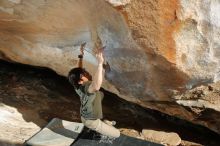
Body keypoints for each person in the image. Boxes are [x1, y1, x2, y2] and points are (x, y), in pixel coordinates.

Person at [68, 43, 120, 138]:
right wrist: (100, 64)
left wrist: (81, 55)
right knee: (117, 134)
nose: (87, 72)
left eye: (85, 71)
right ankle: (104, 124)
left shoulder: (76, 85)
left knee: (99, 94)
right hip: (91, 121)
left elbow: (78, 69)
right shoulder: (87, 86)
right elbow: (96, 86)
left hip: (85, 115)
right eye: (84, 74)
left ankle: (104, 123)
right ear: (80, 81)